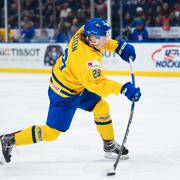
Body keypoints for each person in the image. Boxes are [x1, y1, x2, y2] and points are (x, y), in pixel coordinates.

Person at [0, 18, 141, 164]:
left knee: (102, 107)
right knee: (51, 133)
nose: (106, 42)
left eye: (107, 38)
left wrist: (118, 47)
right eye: (104, 40)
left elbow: (100, 41)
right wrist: (123, 89)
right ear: (91, 39)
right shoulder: (86, 59)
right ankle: (10, 139)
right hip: (63, 94)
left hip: (75, 83)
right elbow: (98, 84)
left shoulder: (84, 32)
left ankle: (109, 144)